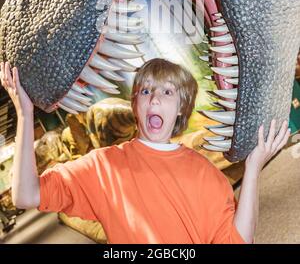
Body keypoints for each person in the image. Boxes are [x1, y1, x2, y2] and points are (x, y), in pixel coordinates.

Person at [0, 58, 290, 244]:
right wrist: (24, 115)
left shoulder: (206, 174)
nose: (154, 99)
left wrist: (253, 169)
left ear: (180, 109)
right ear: (135, 104)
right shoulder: (103, 166)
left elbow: (238, 240)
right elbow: (26, 195)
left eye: (167, 92)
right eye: (146, 91)